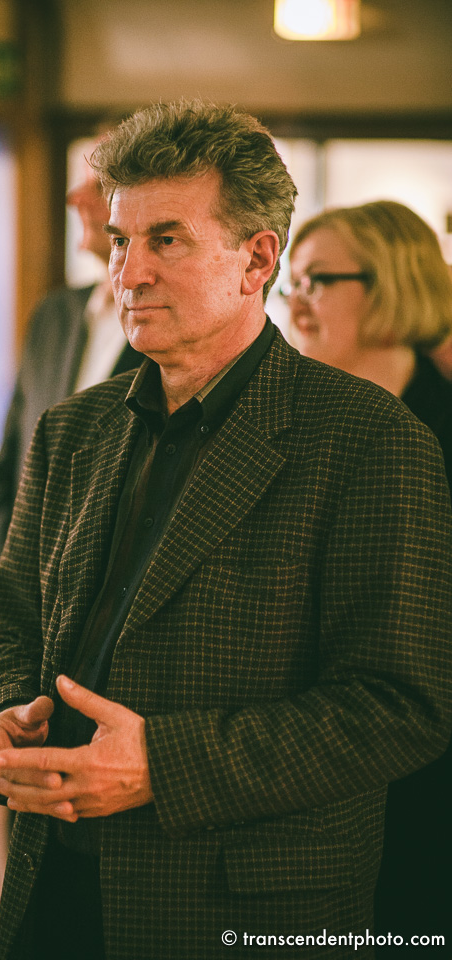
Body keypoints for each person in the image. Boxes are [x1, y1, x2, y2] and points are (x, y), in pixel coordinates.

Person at [0, 101, 452, 960]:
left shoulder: (370, 439)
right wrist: (1, 714)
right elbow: (15, 625)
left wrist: (164, 763)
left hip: (238, 903)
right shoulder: (71, 430)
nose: (129, 273)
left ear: (256, 259)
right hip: (53, 882)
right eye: (121, 241)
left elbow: (400, 707)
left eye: (167, 240)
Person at [284, 199, 452, 954]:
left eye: (317, 280)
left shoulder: (440, 431)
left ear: (390, 285)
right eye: (290, 282)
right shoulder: (291, 427)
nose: (295, 303)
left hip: (425, 782)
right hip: (305, 773)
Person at [0, 150, 142, 651]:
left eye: (97, 185)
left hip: (118, 632)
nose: (74, 198)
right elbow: (8, 473)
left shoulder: (177, 334)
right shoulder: (54, 316)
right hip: (26, 621)